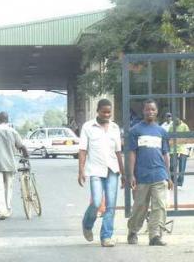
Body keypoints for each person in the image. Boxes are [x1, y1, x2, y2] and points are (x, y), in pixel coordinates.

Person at [78, 99, 125, 247]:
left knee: (110, 205)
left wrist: (123, 173)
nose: (106, 114)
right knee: (97, 202)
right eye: (104, 111)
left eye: (109, 112)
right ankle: (87, 224)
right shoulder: (88, 127)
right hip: (95, 171)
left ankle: (106, 237)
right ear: (97, 111)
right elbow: (83, 150)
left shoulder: (115, 128)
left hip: (113, 170)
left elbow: (118, 152)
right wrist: (81, 171)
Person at [127, 99, 173, 246]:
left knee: (160, 205)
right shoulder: (135, 130)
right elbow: (132, 153)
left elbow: (165, 154)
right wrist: (131, 174)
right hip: (142, 175)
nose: (150, 112)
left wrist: (169, 176)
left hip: (159, 174)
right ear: (143, 111)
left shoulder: (162, 132)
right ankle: (133, 231)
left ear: (157, 111)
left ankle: (155, 236)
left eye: (153, 109)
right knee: (140, 206)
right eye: (147, 109)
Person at [0, 111, 28, 220]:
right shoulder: (13, 131)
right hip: (9, 164)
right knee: (9, 187)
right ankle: (7, 208)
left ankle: (1, 211)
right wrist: (26, 156)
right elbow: (21, 146)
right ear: (7, 120)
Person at [168, 118, 190, 189]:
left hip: (183, 149)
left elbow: (188, 137)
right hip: (173, 149)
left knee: (182, 167)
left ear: (180, 119)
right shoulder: (171, 127)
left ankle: (179, 183)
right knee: (172, 166)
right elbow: (169, 137)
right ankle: (173, 182)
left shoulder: (184, 126)